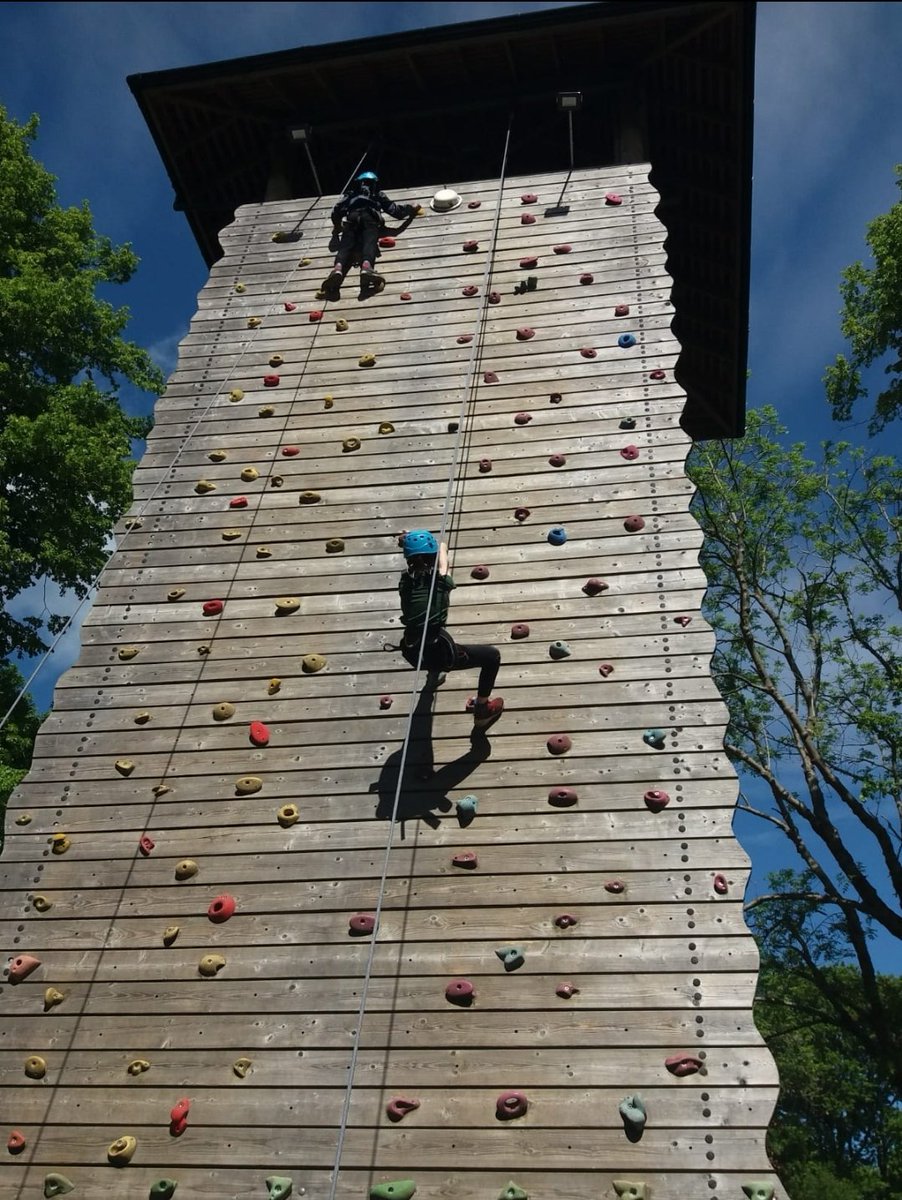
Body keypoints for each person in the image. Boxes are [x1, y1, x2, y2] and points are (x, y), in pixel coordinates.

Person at [398, 530, 504, 732]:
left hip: (412, 650)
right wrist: (432, 544)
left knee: (428, 640)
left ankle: (434, 674)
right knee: (492, 656)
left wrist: (408, 543)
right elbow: (443, 550)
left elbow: (422, 562)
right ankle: (483, 709)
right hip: (441, 654)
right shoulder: (442, 580)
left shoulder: (405, 583)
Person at [321, 170, 418, 300]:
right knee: (369, 243)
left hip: (352, 218)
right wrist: (411, 208)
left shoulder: (351, 194)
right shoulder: (377, 194)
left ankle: (337, 269)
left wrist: (337, 228)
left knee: (345, 245)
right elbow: (396, 212)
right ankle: (366, 267)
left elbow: (336, 211)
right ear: (374, 184)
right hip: (370, 218)